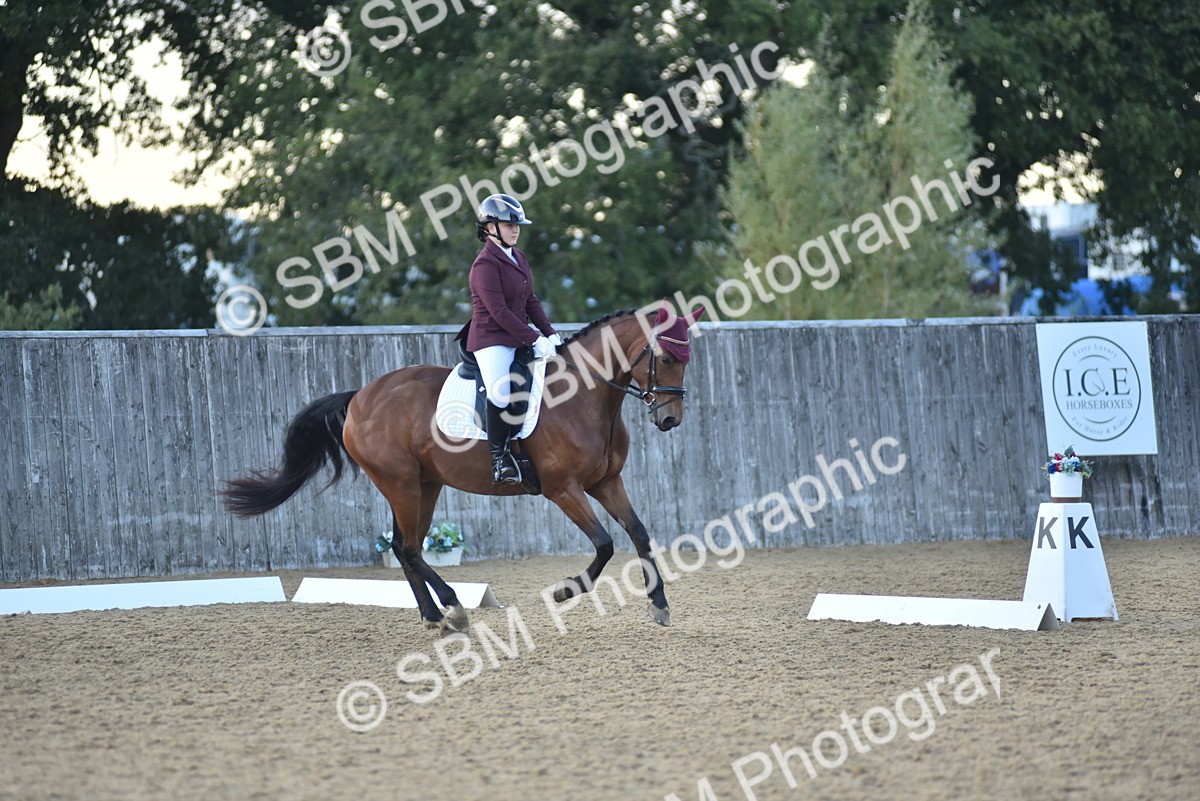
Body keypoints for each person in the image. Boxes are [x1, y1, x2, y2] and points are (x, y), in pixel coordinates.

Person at [466, 193, 561, 484]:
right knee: (501, 392)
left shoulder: (517, 256)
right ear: (490, 227)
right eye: (509, 224)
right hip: (491, 339)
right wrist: (534, 339)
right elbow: (499, 312)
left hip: (519, 335)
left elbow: (530, 301)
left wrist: (551, 333)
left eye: (517, 224)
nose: (516, 229)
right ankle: (499, 458)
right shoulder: (484, 265)